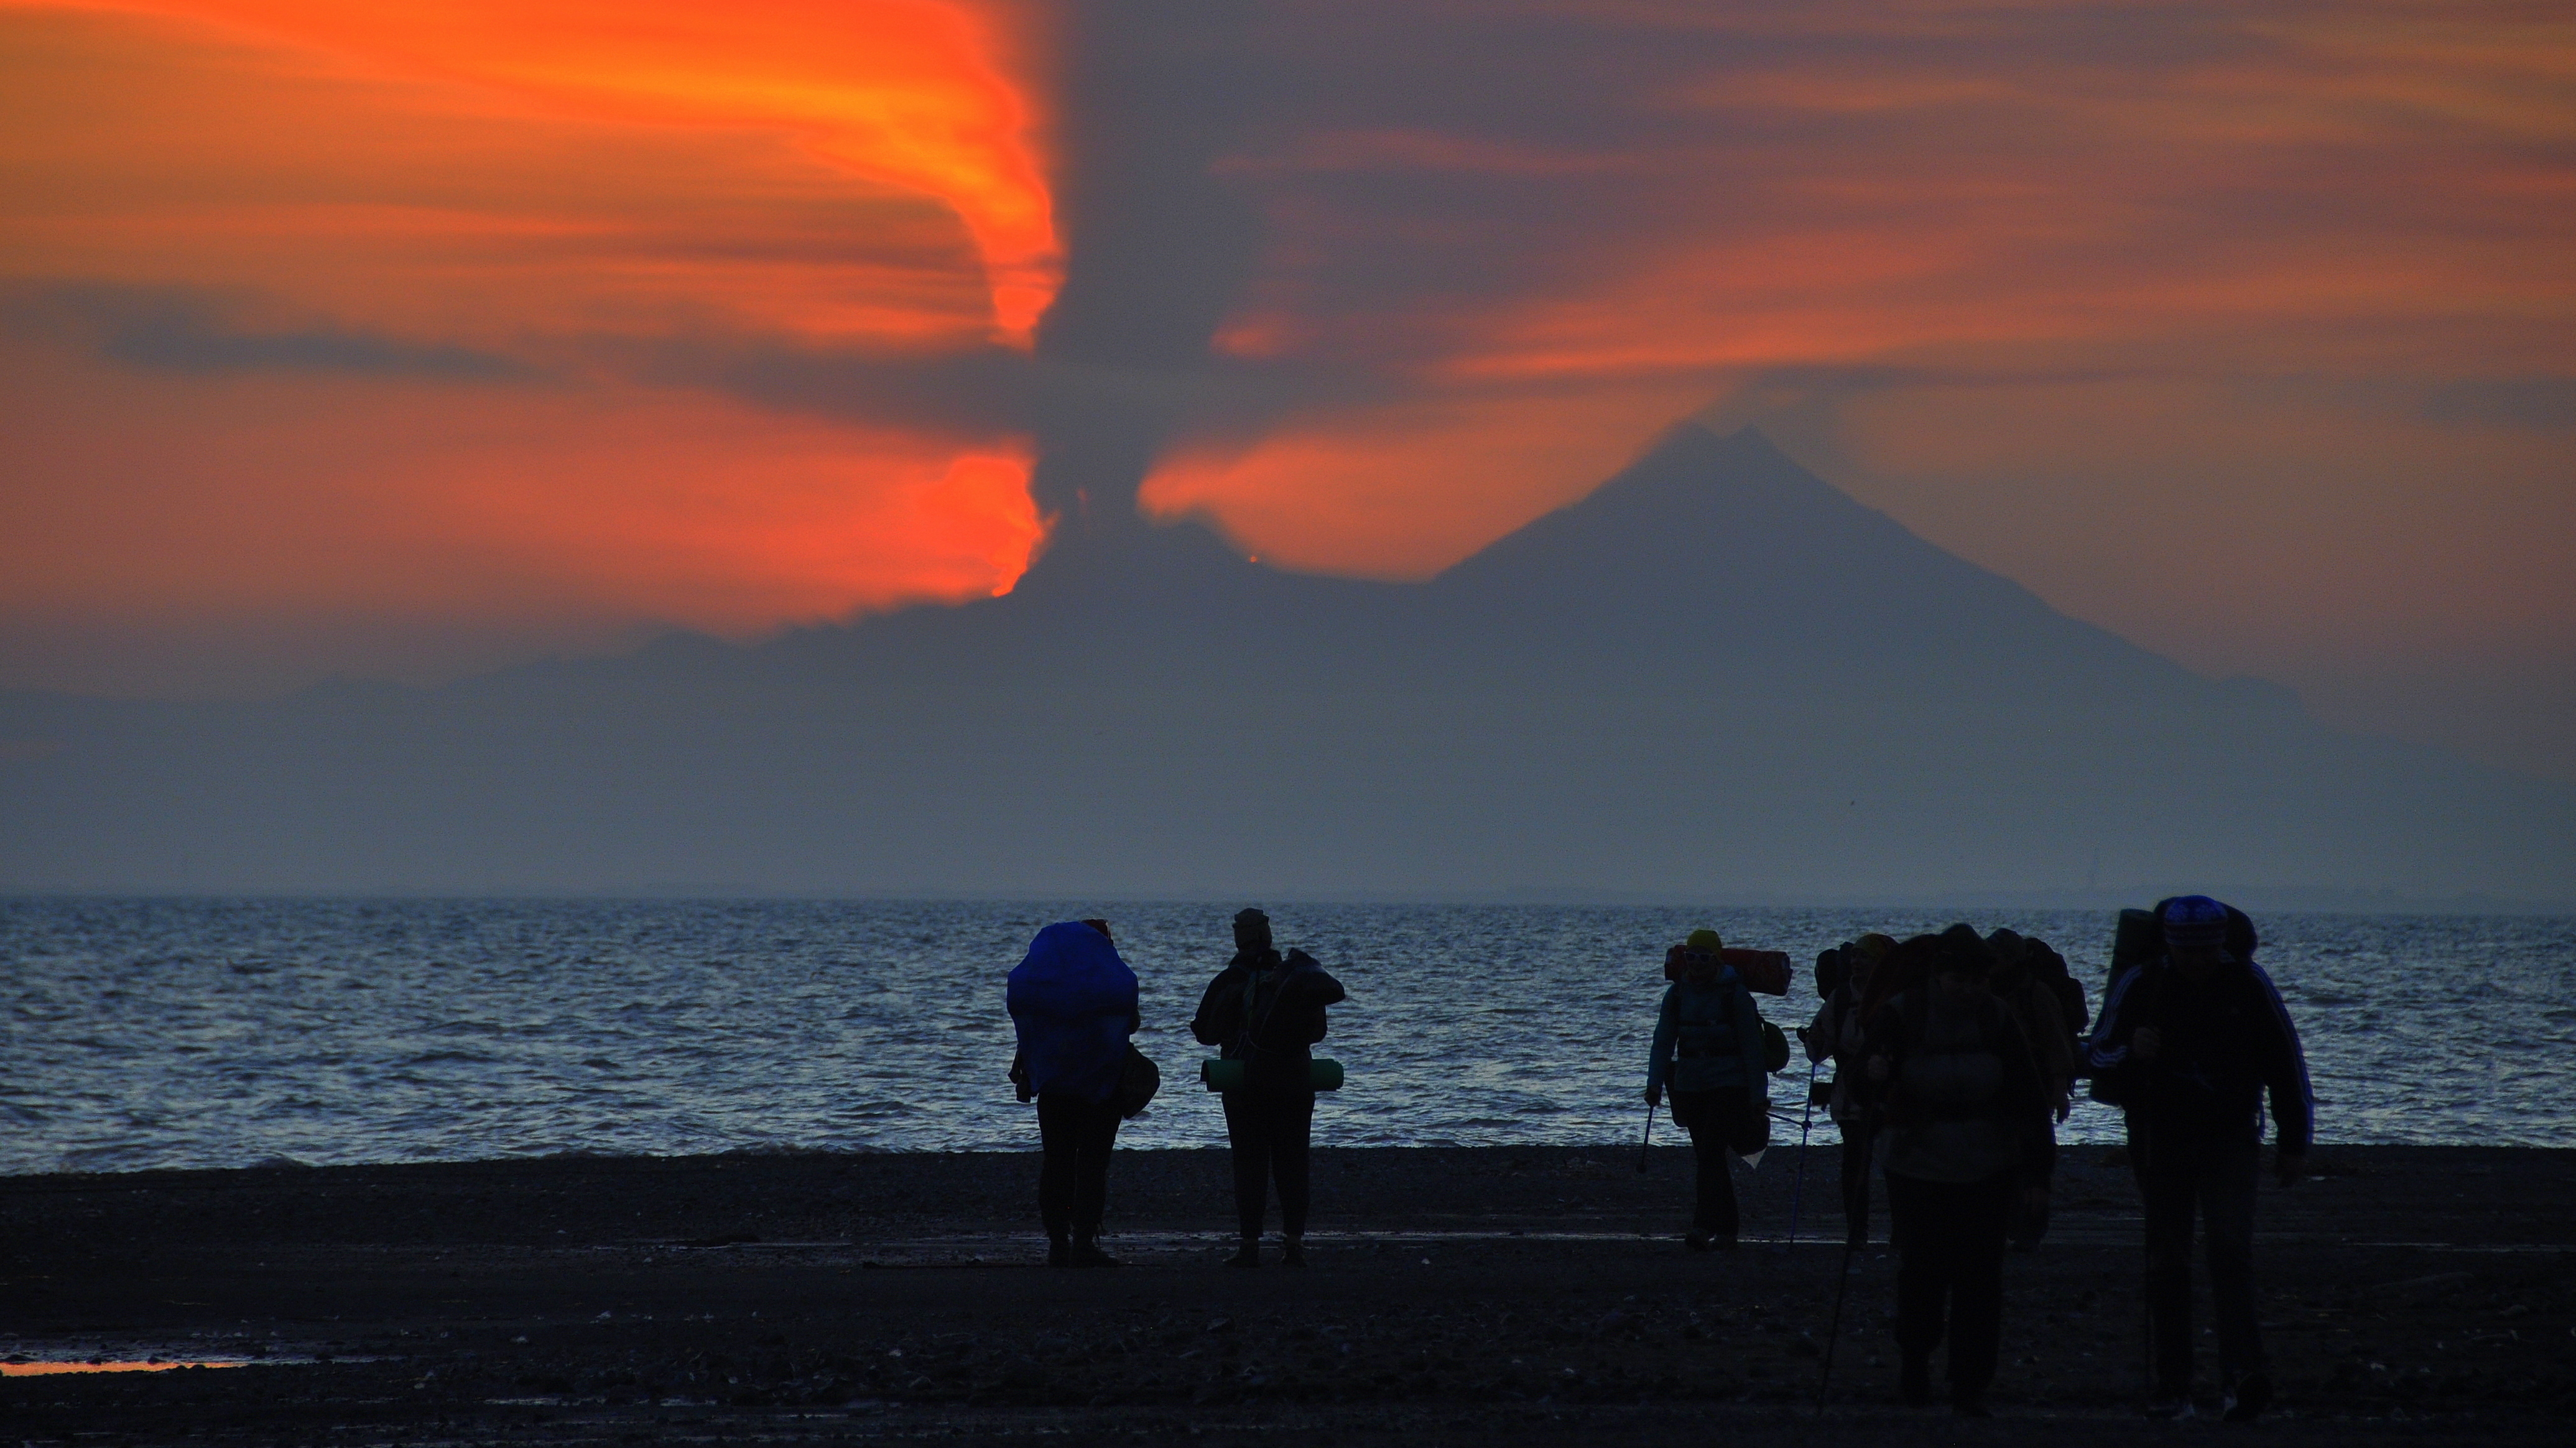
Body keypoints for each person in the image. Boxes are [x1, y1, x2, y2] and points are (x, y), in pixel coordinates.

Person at [2086, 896, 2313, 1422]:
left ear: (2220, 944)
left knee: (2230, 1251)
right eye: (2186, 951)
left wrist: (2294, 1142)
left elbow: (2285, 1062)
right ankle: (2174, 1384)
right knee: (2168, 1259)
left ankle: (2242, 1376)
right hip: (2159, 1139)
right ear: (2169, 945)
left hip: (2229, 1138)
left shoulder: (2248, 984)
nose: (2196, 961)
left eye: (2205, 951)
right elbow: (2096, 1052)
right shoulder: (2142, 982)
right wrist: (2132, 1049)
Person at [1864, 925, 2056, 1416]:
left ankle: (1969, 1385)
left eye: (1978, 980)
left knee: (1980, 1278)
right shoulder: (1901, 1014)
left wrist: (2037, 1174)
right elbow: (1863, 1083)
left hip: (1988, 1164)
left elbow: (2029, 1098)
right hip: (1917, 1163)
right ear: (1938, 975)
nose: (1970, 990)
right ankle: (1915, 1366)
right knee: (1922, 1272)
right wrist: (1871, 1074)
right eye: (1960, 980)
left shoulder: (1998, 1018)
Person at [1191, 908, 1346, 1268]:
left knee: (1250, 1164)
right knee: (1294, 1163)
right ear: (1269, 936)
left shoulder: (1229, 980)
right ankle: (1294, 1246)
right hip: (1296, 1081)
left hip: (1247, 1085)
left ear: (1239, 938)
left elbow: (1205, 1032)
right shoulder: (1298, 979)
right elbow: (1318, 1033)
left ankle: (1249, 1247)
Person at [1006, 919, 1142, 1268]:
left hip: (1055, 1088)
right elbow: (1131, 1022)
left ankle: (1057, 1243)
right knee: (1093, 1166)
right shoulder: (1108, 983)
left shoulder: (1047, 985)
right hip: (1102, 1088)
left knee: (1057, 1163)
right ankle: (1083, 1241)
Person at [1644, 930, 1771, 1251]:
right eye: (1691, 956)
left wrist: (1758, 1095)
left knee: (1711, 1153)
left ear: (1716, 960)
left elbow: (1753, 1049)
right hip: (1689, 1084)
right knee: (1706, 1155)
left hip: (1729, 1084)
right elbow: (1663, 1041)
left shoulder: (1736, 996)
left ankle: (1706, 1227)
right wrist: (1654, 1083)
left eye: (1703, 957)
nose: (1696, 963)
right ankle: (1723, 1228)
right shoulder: (1677, 995)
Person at [1807, 932, 1892, 1247]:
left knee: (1894, 1162)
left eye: (1864, 956)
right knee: (1855, 1162)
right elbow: (1821, 1045)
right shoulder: (1841, 998)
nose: (1857, 962)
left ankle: (1902, 1230)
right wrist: (1815, 1041)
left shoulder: (1892, 997)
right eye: (1854, 956)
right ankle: (1857, 1232)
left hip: (1889, 1094)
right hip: (1851, 1095)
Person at [1986, 929, 2077, 1123]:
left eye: (1994, 956)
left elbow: (2057, 1045)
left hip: (2033, 1085)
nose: (1987, 962)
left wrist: (2061, 1094)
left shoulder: (2036, 993)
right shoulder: (1985, 989)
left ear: (2011, 960)